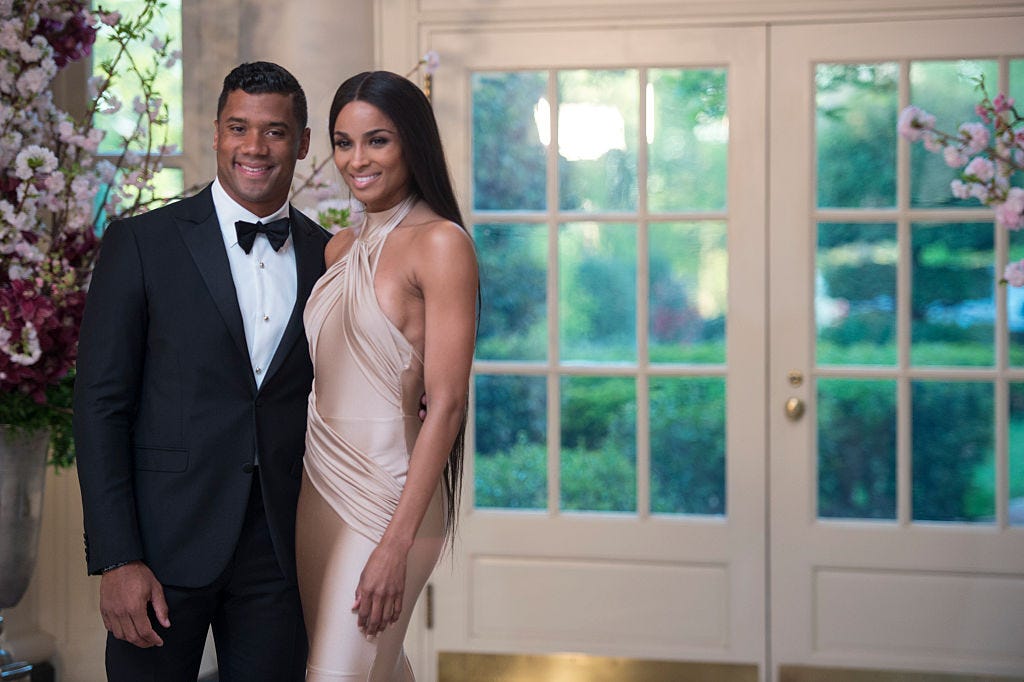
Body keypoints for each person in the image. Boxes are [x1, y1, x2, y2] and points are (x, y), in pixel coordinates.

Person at [73, 61, 331, 681]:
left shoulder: (330, 255)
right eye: (239, 127)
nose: (255, 147)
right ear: (215, 132)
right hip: (159, 549)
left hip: (280, 552)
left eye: (275, 131)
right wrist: (117, 559)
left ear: (301, 143)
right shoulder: (141, 243)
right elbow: (100, 405)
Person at [296, 70, 478, 681]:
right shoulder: (338, 248)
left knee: (337, 674)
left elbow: (447, 404)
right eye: (343, 142)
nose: (356, 159)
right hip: (317, 490)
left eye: (378, 140)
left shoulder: (441, 244)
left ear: (412, 143)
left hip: (390, 499)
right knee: (374, 668)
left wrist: (396, 544)